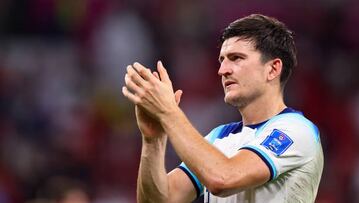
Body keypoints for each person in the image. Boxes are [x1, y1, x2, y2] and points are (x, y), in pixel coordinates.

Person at [122, 14, 323, 203]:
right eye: (222, 60)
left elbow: (223, 178)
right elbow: (159, 200)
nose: (222, 70)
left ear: (272, 69)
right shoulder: (219, 137)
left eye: (236, 58)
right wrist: (153, 140)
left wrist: (168, 112)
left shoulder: (296, 130)